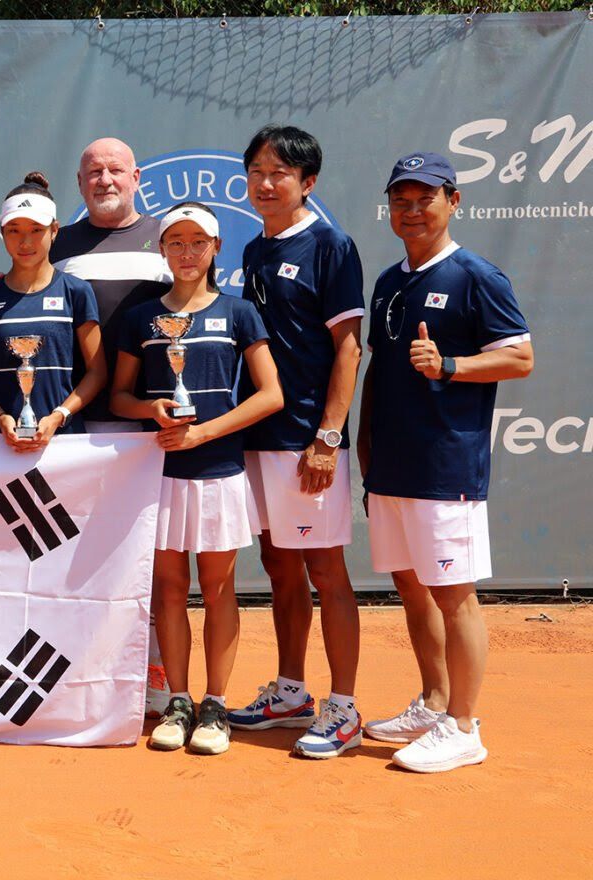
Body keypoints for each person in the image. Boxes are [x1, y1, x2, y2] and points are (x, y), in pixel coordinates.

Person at [359, 153, 533, 773]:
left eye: (424, 198)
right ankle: (434, 703)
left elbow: (518, 358)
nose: (411, 210)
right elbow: (380, 368)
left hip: (445, 465)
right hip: (393, 465)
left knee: (454, 594)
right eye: (400, 200)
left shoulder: (477, 276)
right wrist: (366, 448)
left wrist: (451, 366)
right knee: (410, 584)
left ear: (452, 201)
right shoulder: (388, 281)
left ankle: (464, 725)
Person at [111, 202, 282, 756]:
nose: (187, 253)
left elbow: (270, 394)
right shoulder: (141, 319)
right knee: (166, 589)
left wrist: (203, 434)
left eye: (198, 242)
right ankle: (178, 699)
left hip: (217, 471)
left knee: (217, 589)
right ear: (161, 249)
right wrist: (151, 409)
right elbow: (117, 396)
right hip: (157, 475)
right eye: (176, 243)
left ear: (215, 249)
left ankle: (214, 705)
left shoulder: (239, 312)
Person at [225, 125, 367, 759]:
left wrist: (328, 437)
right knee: (279, 566)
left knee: (325, 571)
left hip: (308, 438)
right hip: (256, 433)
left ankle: (344, 706)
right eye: (257, 170)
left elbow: (348, 348)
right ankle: (291, 691)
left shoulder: (333, 246)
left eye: (279, 172)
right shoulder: (254, 250)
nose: (265, 181)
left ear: (307, 183)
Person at [52, 137, 174, 716]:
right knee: (75, 558)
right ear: (80, 184)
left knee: (144, 563)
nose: (104, 179)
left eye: (115, 170)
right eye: (93, 171)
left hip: (146, 430)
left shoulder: (167, 238)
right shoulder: (57, 244)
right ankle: (83, 676)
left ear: (136, 176)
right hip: (70, 426)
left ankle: (152, 680)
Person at [0, 172, 106, 451]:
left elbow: (97, 372)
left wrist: (59, 416)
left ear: (54, 230)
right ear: (2, 233)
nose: (25, 242)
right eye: (14, 230)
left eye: (36, 230)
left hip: (63, 441)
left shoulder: (76, 292)